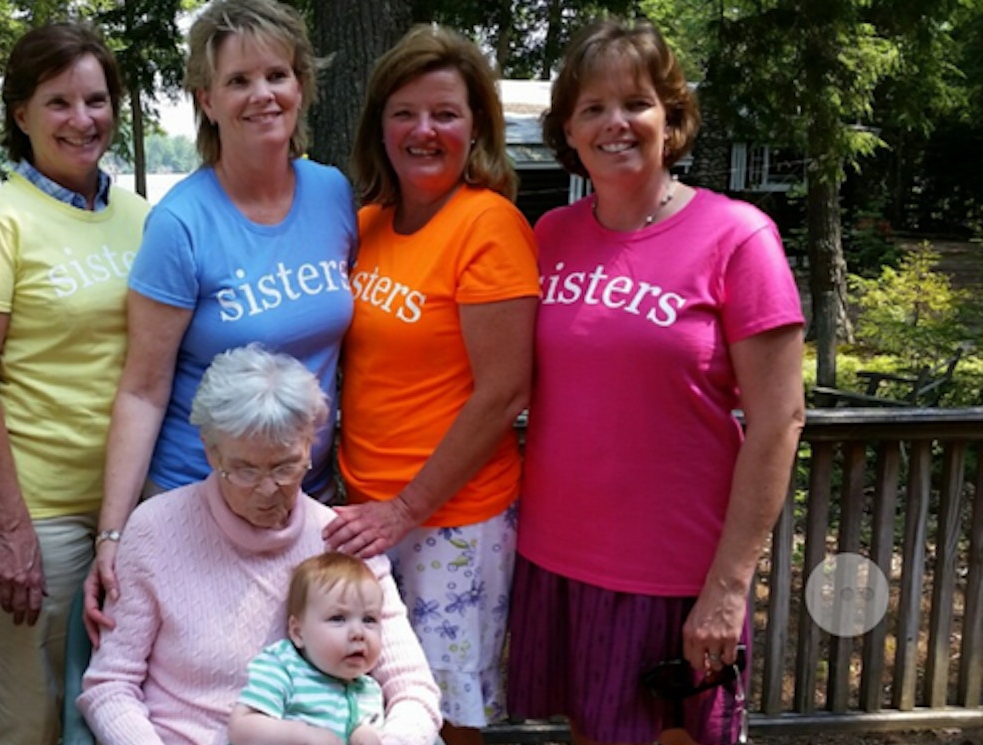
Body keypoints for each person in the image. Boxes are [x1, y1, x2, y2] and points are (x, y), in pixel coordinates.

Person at [504, 18, 805, 745]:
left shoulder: (739, 236)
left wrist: (728, 586)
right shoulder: (547, 237)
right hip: (557, 554)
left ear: (670, 119)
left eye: (636, 102)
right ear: (568, 131)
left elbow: (779, 420)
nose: (616, 123)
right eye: (592, 108)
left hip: (676, 572)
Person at [86, 0, 357, 643]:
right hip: (197, 498)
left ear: (300, 86)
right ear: (207, 100)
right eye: (238, 81)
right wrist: (115, 533)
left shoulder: (333, 192)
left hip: (303, 498)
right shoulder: (181, 224)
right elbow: (142, 387)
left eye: (276, 75)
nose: (261, 95)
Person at [321, 25, 537, 745]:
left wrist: (407, 506)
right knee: (364, 701)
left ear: (475, 125)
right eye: (404, 112)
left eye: (445, 113)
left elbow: (504, 393)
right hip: (362, 509)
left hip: (451, 520)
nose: (424, 130)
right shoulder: (368, 225)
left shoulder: (490, 225)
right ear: (378, 124)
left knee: (443, 716)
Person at [0, 22, 149, 745]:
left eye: (96, 99)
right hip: (39, 515)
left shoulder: (141, 216)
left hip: (133, 512)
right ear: (20, 114)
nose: (82, 119)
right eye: (58, 102)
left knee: (121, 708)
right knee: (31, 718)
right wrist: (14, 531)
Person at [78, 345, 440, 745]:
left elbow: (413, 688)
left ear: (310, 446)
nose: (268, 490)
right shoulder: (156, 530)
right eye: (246, 470)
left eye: (286, 466)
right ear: (211, 450)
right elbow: (110, 687)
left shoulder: (342, 541)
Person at [229, 552, 386, 745]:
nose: (358, 633)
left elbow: (370, 727)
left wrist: (366, 734)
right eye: (338, 618)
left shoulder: (368, 690)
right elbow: (241, 729)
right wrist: (303, 736)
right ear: (298, 633)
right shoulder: (283, 666)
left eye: (369, 619)